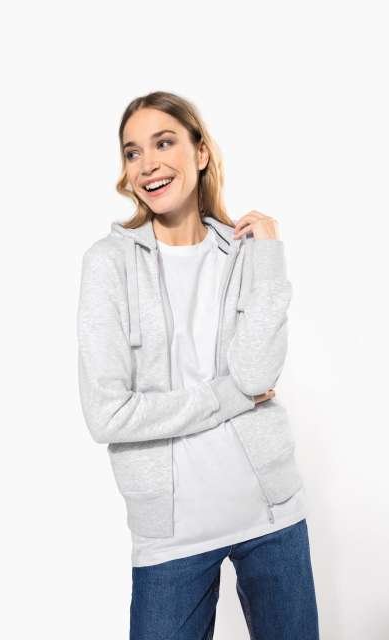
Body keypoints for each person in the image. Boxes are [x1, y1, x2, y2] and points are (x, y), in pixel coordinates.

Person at [76, 90, 320, 639]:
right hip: (171, 536)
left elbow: (257, 374)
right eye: (133, 152)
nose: (148, 164)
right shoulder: (108, 264)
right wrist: (231, 397)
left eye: (164, 143)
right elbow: (107, 415)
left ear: (201, 152)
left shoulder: (243, 252)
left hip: (272, 515)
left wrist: (269, 255)